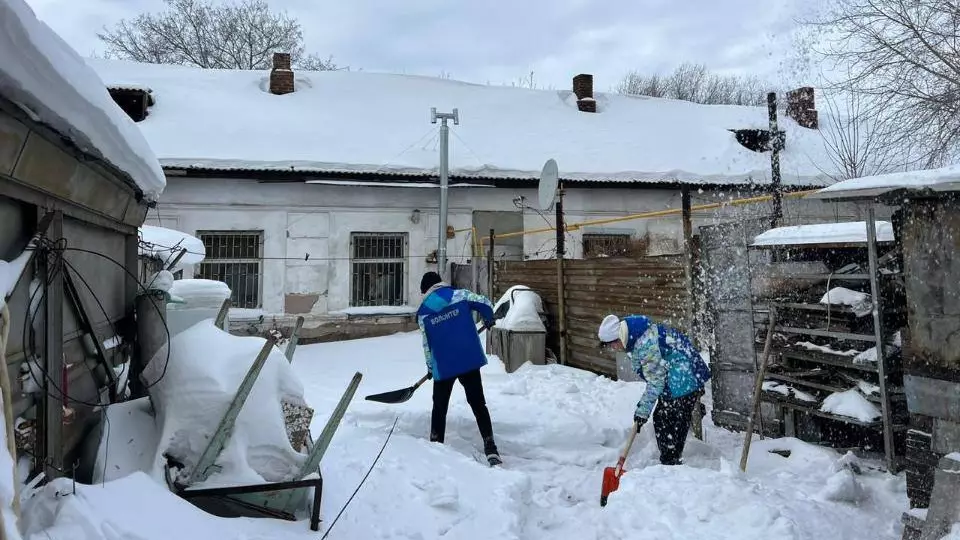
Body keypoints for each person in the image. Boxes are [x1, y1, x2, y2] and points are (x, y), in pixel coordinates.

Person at [597, 313, 711, 466]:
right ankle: (670, 459)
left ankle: (671, 463)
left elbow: (655, 382)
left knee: (670, 420)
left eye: (612, 345)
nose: (614, 349)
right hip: (678, 374)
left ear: (618, 337)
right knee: (664, 417)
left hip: (684, 378)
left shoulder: (645, 344)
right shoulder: (635, 333)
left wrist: (642, 412)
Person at [416, 271, 501, 466]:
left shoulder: (423, 312)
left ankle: (436, 447)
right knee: (478, 403)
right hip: (467, 358)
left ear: (425, 290)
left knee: (439, 407)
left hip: (444, 365)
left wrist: (430, 368)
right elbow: (486, 304)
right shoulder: (460, 295)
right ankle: (491, 448)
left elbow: (427, 346)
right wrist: (488, 318)